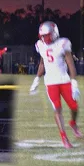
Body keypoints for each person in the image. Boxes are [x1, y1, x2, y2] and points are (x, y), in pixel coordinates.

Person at [29, 21, 82, 149]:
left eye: (47, 35)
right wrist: (36, 79)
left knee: (74, 107)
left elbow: (70, 64)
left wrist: (74, 82)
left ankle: (73, 123)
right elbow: (42, 64)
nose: (44, 38)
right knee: (57, 109)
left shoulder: (63, 43)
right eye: (42, 36)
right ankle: (64, 137)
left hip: (64, 80)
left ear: (54, 33)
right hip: (51, 82)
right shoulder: (40, 45)